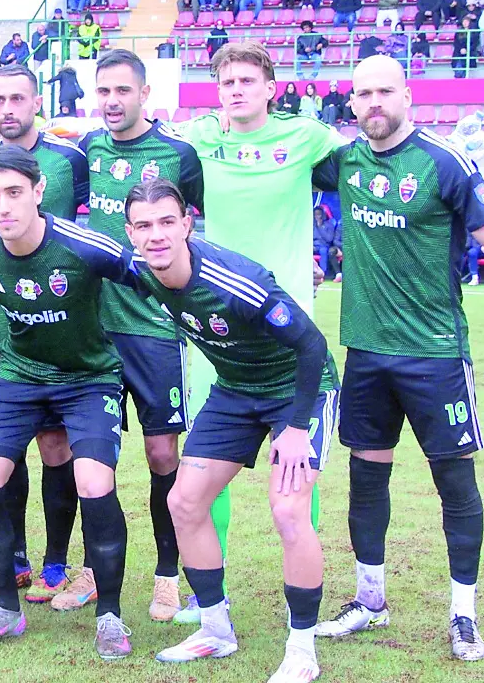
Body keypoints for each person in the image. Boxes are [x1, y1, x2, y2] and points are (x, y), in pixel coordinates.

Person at [312, 54, 484, 663]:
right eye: (363, 94)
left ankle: (464, 614)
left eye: (385, 91)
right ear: (351, 103)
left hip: (435, 354)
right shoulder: (344, 161)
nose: (373, 103)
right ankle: (369, 600)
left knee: (454, 482)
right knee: (365, 477)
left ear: (407, 95)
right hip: (366, 352)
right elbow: (278, 168)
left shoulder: (443, 162)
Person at [129, 179, 340, 683]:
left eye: (167, 222)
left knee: (289, 511)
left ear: (187, 224)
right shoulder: (138, 269)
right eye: (144, 225)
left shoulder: (237, 281)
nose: (156, 235)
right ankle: (215, 629)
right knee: (184, 502)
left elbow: (312, 346)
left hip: (298, 390)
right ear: (131, 233)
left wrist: (296, 428)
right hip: (235, 391)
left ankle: (301, 649)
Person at [170, 42, 348, 625]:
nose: (236, 90)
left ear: (271, 88)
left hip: (286, 329)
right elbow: (137, 140)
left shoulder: (305, 136)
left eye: (247, 80)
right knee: (203, 467)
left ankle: (303, 587)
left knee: (295, 474)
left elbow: (368, 156)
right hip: (217, 333)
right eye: (227, 82)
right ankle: (206, 596)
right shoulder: (200, 138)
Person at [0, 146, 139, 659]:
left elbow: (152, 275)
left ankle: (110, 615)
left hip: (88, 378)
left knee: (93, 480)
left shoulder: (84, 246)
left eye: (14, 192)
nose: (3, 205)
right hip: (20, 375)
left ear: (38, 192)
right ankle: (6, 609)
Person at [74, 49, 204, 622]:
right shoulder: (88, 149)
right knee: (89, 456)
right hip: (96, 329)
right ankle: (88, 570)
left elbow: (207, 223)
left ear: (145, 94)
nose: (112, 101)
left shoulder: (178, 154)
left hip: (154, 328)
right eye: (103, 90)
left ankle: (167, 575)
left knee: (160, 453)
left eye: (122, 90)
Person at [0, 62, 90, 605]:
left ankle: (56, 561)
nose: (8, 108)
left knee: (56, 445)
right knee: (2, 448)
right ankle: (14, 557)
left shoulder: (69, 160)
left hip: (57, 332)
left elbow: (87, 234)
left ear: (37, 101)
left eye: (18, 98)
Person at [312, 205, 342, 279]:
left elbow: (329, 239)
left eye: (319, 214)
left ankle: (323, 273)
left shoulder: (329, 225)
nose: (317, 217)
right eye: (315, 215)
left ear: (323, 215)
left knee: (323, 251)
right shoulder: (311, 225)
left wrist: (320, 227)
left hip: (324, 246)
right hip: (313, 246)